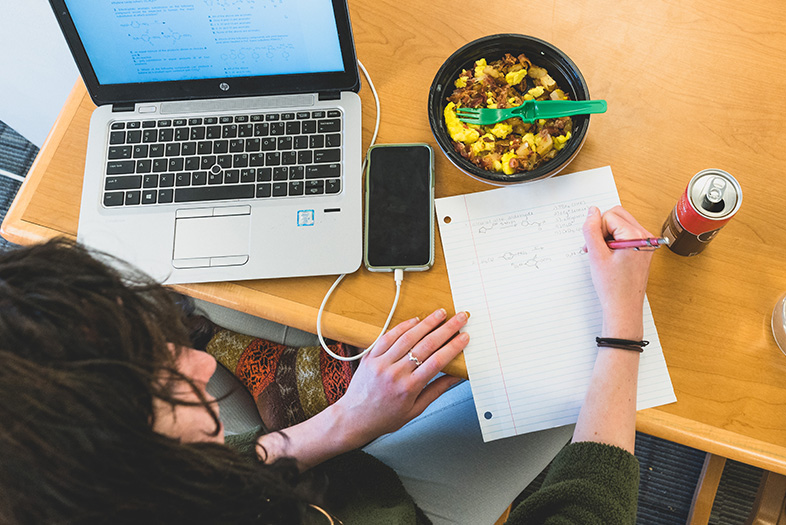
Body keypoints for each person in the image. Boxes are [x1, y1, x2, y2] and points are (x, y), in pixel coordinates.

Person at [0, 205, 655, 524]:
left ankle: (297, 383)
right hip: (389, 509)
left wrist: (347, 421)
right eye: (162, 385)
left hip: (336, 470)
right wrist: (622, 326)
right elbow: (586, 512)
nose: (196, 364)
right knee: (552, 390)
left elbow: (216, 469)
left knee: (245, 296)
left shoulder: (98, 494)